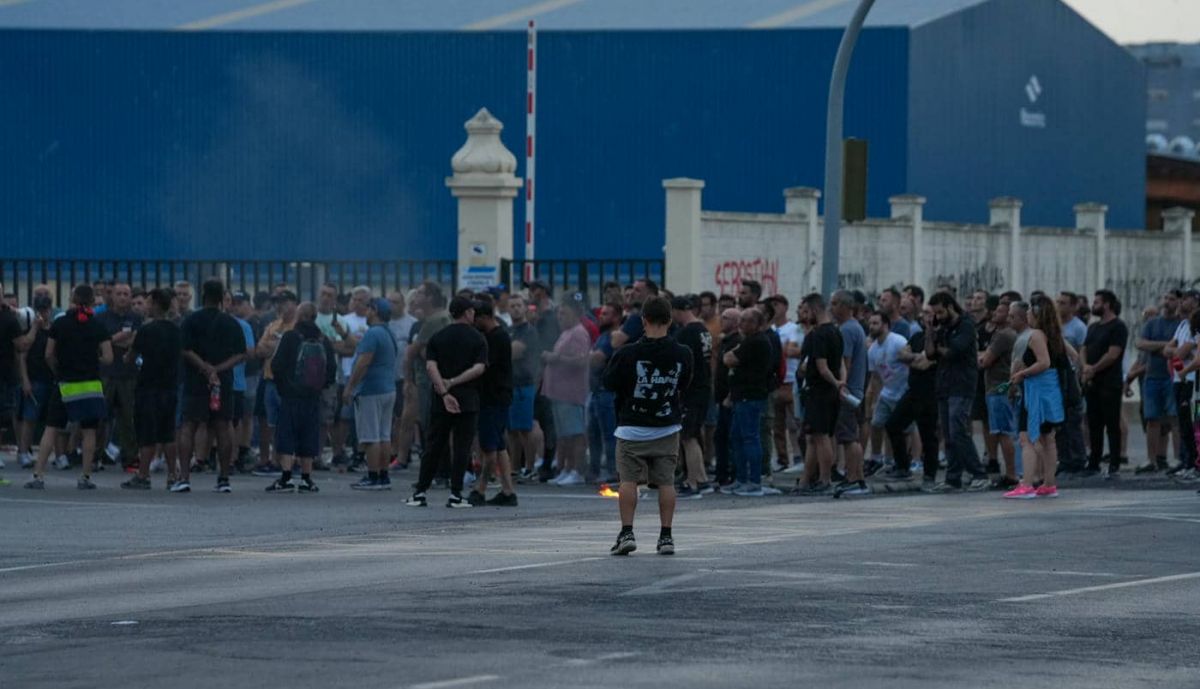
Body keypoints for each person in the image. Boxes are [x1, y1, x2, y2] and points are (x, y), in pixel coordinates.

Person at [603, 295, 693, 556]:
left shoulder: (628, 352)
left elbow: (609, 382)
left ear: (644, 320)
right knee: (666, 482)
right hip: (666, 425)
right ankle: (666, 536)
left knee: (628, 480)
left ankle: (627, 531)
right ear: (669, 319)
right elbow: (684, 383)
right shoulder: (682, 353)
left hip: (632, 425)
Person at [25, 285, 113, 490]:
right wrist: (92, 362)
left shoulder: (60, 323)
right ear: (92, 302)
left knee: (51, 428)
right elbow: (109, 358)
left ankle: (38, 475)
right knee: (89, 431)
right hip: (90, 385)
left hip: (64, 384)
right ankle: (85, 476)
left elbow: (48, 355)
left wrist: (59, 369)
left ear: (72, 299)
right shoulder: (98, 325)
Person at [407, 296, 488, 508]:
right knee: (462, 447)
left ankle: (420, 492)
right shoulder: (478, 339)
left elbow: (430, 367)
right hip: (468, 399)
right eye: (472, 311)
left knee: (433, 445)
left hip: (441, 401)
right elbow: (479, 369)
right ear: (467, 313)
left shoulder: (438, 337)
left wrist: (444, 392)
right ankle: (456, 494)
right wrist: (454, 382)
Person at [177, 279, 248, 493]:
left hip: (195, 379)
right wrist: (218, 369)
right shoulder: (231, 323)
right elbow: (241, 354)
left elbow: (184, 349)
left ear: (203, 295)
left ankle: (184, 477)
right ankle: (224, 477)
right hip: (222, 381)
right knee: (223, 425)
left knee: (189, 425)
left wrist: (205, 367)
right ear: (221, 298)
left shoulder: (191, 320)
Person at [265, 302, 337, 493]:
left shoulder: (290, 337)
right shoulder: (323, 339)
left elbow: (276, 365)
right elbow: (331, 370)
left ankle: (286, 477)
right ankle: (306, 478)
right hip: (313, 396)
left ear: (299, 316)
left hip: (290, 395)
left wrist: (283, 385)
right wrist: (319, 386)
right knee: (309, 434)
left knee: (286, 434)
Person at [1004, 297, 1069, 499]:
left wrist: (1022, 374)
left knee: (1027, 438)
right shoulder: (1055, 335)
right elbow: (1071, 357)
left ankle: (1026, 484)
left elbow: (1044, 362)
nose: (1028, 316)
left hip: (1037, 392)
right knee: (1047, 438)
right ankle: (1049, 483)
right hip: (1051, 391)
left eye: (1030, 312)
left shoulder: (1036, 335)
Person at [926, 292, 990, 493]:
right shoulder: (940, 328)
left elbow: (954, 351)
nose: (938, 316)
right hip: (944, 385)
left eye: (940, 311)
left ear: (950, 306)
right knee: (948, 433)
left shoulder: (965, 325)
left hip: (962, 385)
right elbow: (930, 354)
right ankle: (953, 478)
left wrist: (939, 345)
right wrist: (930, 331)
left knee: (958, 429)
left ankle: (979, 473)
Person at [122, 288, 182, 491]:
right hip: (170, 386)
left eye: (148, 301)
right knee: (168, 432)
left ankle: (143, 475)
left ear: (155, 304)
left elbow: (131, 356)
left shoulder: (146, 330)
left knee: (147, 433)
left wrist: (129, 354)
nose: (145, 305)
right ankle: (173, 475)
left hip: (148, 387)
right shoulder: (176, 330)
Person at [344, 298, 399, 490]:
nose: (365, 313)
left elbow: (363, 362)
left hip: (371, 390)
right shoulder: (388, 333)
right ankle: (383, 475)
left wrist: (350, 386)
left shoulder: (372, 334)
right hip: (388, 389)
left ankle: (373, 475)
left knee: (370, 436)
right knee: (384, 435)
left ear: (374, 310)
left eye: (368, 309)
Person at [468, 298, 518, 506]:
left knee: (489, 447)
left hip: (493, 397)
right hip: (498, 396)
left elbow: (485, 367)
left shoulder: (496, 338)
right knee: (498, 445)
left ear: (484, 317)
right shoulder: (495, 336)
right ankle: (508, 490)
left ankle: (480, 488)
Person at [883, 305, 940, 485]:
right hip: (913, 391)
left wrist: (915, 359)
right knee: (893, 424)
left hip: (930, 393)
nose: (925, 317)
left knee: (928, 434)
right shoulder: (917, 336)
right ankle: (903, 467)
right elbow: (901, 355)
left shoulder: (940, 338)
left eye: (929, 314)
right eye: (923, 314)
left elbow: (926, 364)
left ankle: (930, 474)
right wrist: (918, 357)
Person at [724, 307, 773, 496]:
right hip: (741, 395)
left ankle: (754, 481)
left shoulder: (756, 341)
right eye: (741, 320)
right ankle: (741, 478)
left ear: (757, 324)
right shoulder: (748, 341)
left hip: (750, 396)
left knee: (750, 437)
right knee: (736, 436)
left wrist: (733, 352)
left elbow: (729, 359)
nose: (741, 324)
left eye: (746, 321)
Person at [543, 298, 592, 485]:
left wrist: (555, 357)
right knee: (564, 434)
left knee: (575, 433)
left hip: (571, 392)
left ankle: (576, 470)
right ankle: (566, 468)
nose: (560, 317)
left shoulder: (579, 333)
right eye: (559, 313)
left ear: (575, 313)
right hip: (559, 392)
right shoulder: (567, 332)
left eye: (564, 313)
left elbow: (581, 360)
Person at [251, 291, 299, 476]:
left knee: (290, 423)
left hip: (289, 383)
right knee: (273, 424)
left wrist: (274, 346)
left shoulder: (298, 327)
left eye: (284, 302)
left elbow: (293, 352)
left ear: (294, 304)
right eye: (277, 303)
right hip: (270, 380)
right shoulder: (273, 326)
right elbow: (259, 350)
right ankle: (275, 460)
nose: (280, 306)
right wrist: (277, 346)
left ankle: (290, 461)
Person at [95, 282, 142, 469]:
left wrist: (113, 340)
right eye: (119, 293)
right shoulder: (101, 318)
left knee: (128, 418)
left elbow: (135, 342)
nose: (123, 297)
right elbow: (99, 344)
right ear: (112, 296)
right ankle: (95, 455)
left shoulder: (136, 317)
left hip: (128, 374)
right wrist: (118, 338)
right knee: (100, 417)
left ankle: (129, 457)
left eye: (126, 294)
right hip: (106, 373)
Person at [1082, 290, 1129, 477]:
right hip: (1092, 382)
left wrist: (1094, 368)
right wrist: (1085, 366)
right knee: (1094, 423)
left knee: (1111, 423)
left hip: (1110, 383)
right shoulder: (1093, 327)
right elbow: (1083, 348)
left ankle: (1114, 463)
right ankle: (1094, 461)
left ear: (1107, 304)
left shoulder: (1118, 327)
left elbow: (1113, 354)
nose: (1094, 305)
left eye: (1097, 302)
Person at [1135, 289, 1182, 473]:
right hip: (1152, 376)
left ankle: (1178, 458)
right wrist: (1166, 345)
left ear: (1178, 302)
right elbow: (1140, 343)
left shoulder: (1181, 324)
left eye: (1171, 299)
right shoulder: (1152, 324)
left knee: (1174, 418)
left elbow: (1180, 345)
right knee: (1152, 419)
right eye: (1166, 298)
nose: (1167, 302)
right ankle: (1151, 459)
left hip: (1172, 377)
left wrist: (1157, 346)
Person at [671, 295, 714, 498]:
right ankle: (702, 479)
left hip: (691, 389)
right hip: (703, 387)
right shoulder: (703, 330)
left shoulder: (686, 333)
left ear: (677, 311)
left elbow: (681, 364)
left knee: (688, 437)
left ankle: (693, 482)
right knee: (694, 434)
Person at [830, 291, 869, 497]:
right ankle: (858, 478)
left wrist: (840, 386)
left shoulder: (846, 330)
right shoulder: (856, 328)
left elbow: (845, 362)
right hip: (857, 389)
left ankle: (853, 479)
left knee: (848, 437)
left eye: (835, 303)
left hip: (848, 391)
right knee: (851, 436)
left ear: (846, 306)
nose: (831, 307)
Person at [978, 302, 1019, 489]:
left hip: (998, 388)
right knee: (1006, 431)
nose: (996, 313)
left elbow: (985, 361)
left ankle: (1011, 474)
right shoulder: (1010, 334)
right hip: (1003, 387)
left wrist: (979, 357)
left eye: (1002, 311)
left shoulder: (1003, 335)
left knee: (1004, 432)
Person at [1164, 290, 1200, 475]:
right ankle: (1187, 461)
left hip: (1192, 381)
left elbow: (1180, 353)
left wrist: (1176, 354)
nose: (1181, 302)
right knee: (1183, 423)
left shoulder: (1197, 324)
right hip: (1179, 379)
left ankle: (1194, 462)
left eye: (1185, 299)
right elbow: (1167, 349)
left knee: (1192, 422)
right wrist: (1175, 352)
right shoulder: (1184, 325)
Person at [506, 294, 541, 480]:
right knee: (511, 429)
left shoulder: (528, 331)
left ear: (525, 307)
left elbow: (514, 352)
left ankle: (530, 466)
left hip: (524, 384)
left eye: (519, 305)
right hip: (510, 384)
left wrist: (505, 350)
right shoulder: (509, 330)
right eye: (512, 306)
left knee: (525, 428)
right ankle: (514, 467)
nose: (516, 309)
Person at [587, 303, 621, 484]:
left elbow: (597, 359)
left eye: (606, 314)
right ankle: (594, 471)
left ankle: (613, 470)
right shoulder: (602, 336)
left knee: (609, 434)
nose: (601, 316)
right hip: (595, 392)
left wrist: (589, 357)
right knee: (593, 434)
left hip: (606, 393)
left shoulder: (612, 338)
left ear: (616, 317)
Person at [768, 294, 803, 471]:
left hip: (791, 379)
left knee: (794, 423)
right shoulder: (771, 329)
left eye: (777, 304)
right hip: (776, 382)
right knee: (777, 425)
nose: (774, 308)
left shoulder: (793, 328)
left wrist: (782, 349)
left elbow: (790, 351)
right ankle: (782, 459)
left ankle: (798, 456)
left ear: (785, 306)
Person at [386, 290, 418, 466]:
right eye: (389, 302)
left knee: (402, 418)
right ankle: (390, 450)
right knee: (389, 418)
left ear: (403, 304)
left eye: (395, 302)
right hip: (387, 377)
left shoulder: (411, 323)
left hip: (402, 377)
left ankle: (399, 451)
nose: (392, 306)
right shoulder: (385, 323)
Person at [713, 307, 742, 490]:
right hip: (721, 396)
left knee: (730, 437)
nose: (721, 321)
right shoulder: (725, 341)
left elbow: (735, 372)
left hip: (729, 398)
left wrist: (730, 395)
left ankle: (732, 474)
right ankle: (722, 474)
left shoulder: (736, 342)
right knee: (721, 437)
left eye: (725, 318)